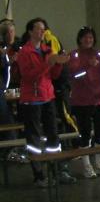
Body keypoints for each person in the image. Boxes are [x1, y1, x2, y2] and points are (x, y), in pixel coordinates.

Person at [16, 18, 71, 187]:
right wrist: (48, 63)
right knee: (34, 138)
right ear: (30, 31)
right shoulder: (25, 52)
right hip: (31, 100)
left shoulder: (48, 50)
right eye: (39, 29)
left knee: (53, 134)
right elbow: (28, 76)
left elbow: (53, 76)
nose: (42, 32)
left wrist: (58, 64)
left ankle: (57, 170)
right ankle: (38, 175)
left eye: (44, 29)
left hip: (48, 97)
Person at [68, 26, 100, 179]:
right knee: (85, 133)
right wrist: (87, 66)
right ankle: (87, 166)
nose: (88, 40)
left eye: (91, 37)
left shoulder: (98, 54)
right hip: (82, 101)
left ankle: (99, 164)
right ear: (80, 39)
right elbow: (74, 75)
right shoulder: (74, 55)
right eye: (85, 37)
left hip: (99, 99)